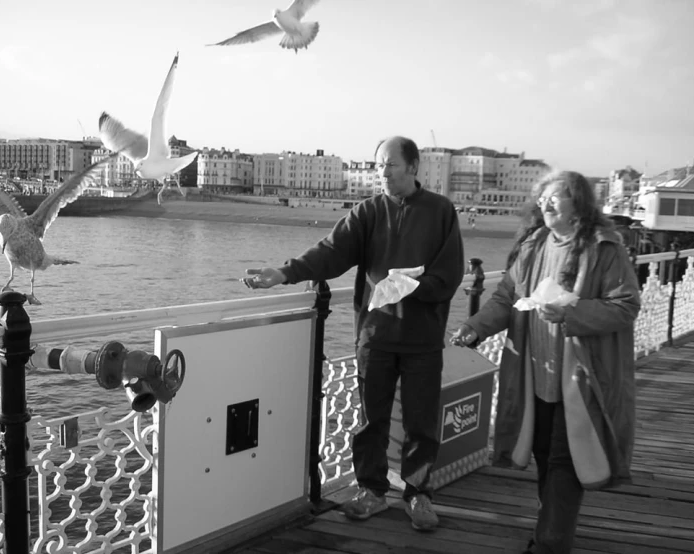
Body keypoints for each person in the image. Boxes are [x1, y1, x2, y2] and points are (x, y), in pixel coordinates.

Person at [243, 136, 464, 532]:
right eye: (378, 164)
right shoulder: (367, 211)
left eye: (390, 164)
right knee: (370, 421)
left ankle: (418, 494)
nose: (382, 172)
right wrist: (284, 273)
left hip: (422, 339)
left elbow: (450, 275)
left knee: (421, 423)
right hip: (375, 336)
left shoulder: (441, 211)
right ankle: (372, 490)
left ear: (413, 167)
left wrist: (417, 287)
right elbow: (332, 251)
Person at [450, 170, 640, 553]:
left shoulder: (606, 248)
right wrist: (474, 328)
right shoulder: (533, 246)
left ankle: (551, 542)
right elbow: (506, 298)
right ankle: (549, 530)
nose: (545, 204)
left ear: (579, 205)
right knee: (544, 455)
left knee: (563, 460)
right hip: (533, 377)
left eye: (555, 198)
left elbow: (625, 305)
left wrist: (571, 315)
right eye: (542, 198)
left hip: (582, 382)